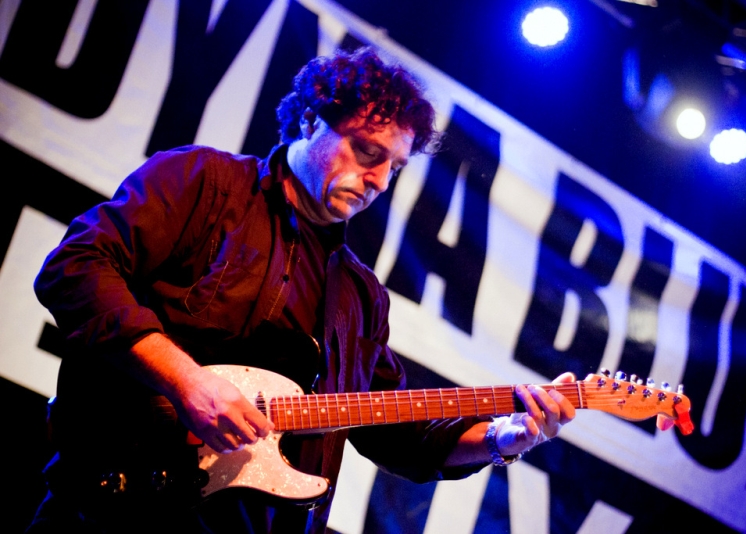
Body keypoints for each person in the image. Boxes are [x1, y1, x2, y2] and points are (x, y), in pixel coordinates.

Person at [27, 47, 576, 533]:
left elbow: (399, 436)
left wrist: (503, 438)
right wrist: (188, 383)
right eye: (368, 152)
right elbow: (74, 268)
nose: (380, 180)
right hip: (110, 503)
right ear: (310, 120)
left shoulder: (362, 298)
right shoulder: (204, 182)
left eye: (395, 167)